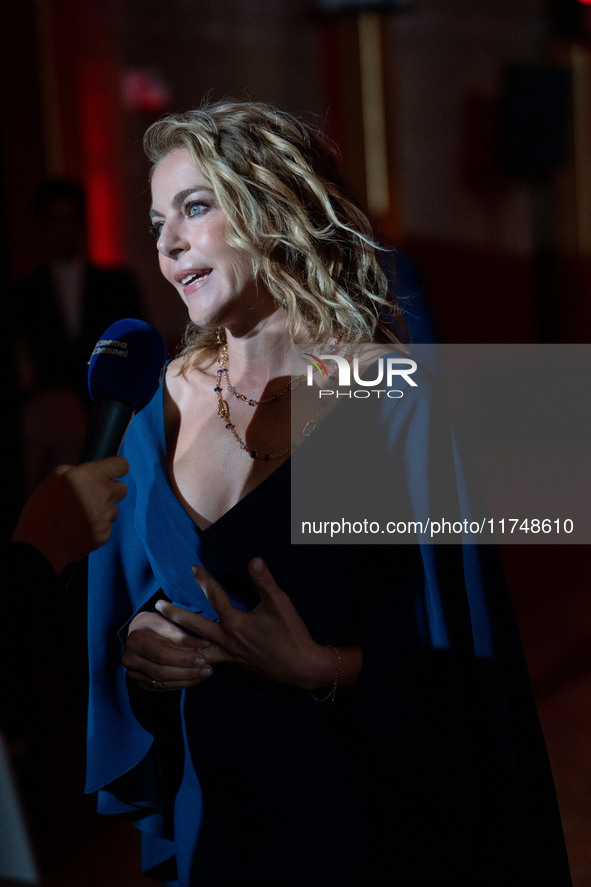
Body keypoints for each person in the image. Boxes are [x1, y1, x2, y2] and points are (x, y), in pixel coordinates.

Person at [85, 101, 572, 886]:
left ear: (272, 208)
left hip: (360, 808)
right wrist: (138, 640)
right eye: (155, 222)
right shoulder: (158, 400)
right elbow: (129, 601)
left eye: (195, 207)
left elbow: (459, 660)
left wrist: (325, 667)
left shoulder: (375, 394)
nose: (168, 243)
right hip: (215, 817)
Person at [11, 179, 143, 493]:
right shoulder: (22, 294)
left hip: (112, 415)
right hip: (51, 428)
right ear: (42, 226)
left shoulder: (116, 285)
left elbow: (139, 350)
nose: (63, 229)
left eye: (70, 219)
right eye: (55, 220)